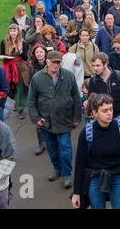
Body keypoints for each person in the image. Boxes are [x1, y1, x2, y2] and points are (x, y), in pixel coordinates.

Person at [71, 94, 120, 209]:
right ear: (95, 113)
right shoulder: (87, 133)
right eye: (104, 110)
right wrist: (76, 193)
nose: (109, 113)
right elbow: (80, 164)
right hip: (95, 178)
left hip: (117, 176)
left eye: (111, 109)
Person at [27, 51, 82, 188]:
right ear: (47, 61)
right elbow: (31, 100)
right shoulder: (37, 78)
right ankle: (57, 169)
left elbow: (76, 97)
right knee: (51, 148)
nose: (56, 65)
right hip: (46, 121)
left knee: (65, 148)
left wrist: (76, 117)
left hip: (65, 119)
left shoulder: (68, 76)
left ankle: (66, 174)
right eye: (54, 62)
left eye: (59, 62)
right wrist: (36, 118)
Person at [0, 24, 29, 120]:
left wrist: (20, 52)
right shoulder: (4, 42)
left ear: (18, 32)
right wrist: (3, 57)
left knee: (20, 87)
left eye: (14, 30)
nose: (12, 32)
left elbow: (25, 57)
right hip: (8, 67)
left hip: (19, 67)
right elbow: (2, 55)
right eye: (11, 30)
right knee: (9, 88)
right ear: (9, 32)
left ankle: (20, 109)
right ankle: (17, 102)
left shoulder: (23, 42)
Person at [88, 52, 120, 118]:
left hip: (119, 115)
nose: (95, 68)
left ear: (105, 64)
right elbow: (91, 100)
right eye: (93, 66)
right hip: (102, 117)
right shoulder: (93, 81)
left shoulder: (118, 76)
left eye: (98, 65)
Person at [28, 44, 48, 156]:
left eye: (41, 52)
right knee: (39, 122)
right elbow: (30, 82)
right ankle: (41, 144)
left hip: (51, 96)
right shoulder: (32, 67)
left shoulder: (51, 64)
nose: (39, 54)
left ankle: (53, 142)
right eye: (37, 52)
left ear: (45, 53)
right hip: (39, 98)